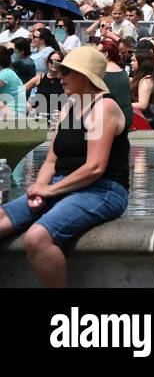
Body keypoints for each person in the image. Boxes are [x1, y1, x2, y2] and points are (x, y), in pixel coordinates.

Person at [0, 46, 130, 287]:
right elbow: (51, 160)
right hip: (63, 185)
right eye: (60, 71)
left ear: (87, 76)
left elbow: (95, 168)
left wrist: (50, 191)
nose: (60, 76)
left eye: (67, 71)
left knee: (37, 237)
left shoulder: (104, 108)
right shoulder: (69, 106)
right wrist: (39, 187)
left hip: (103, 189)